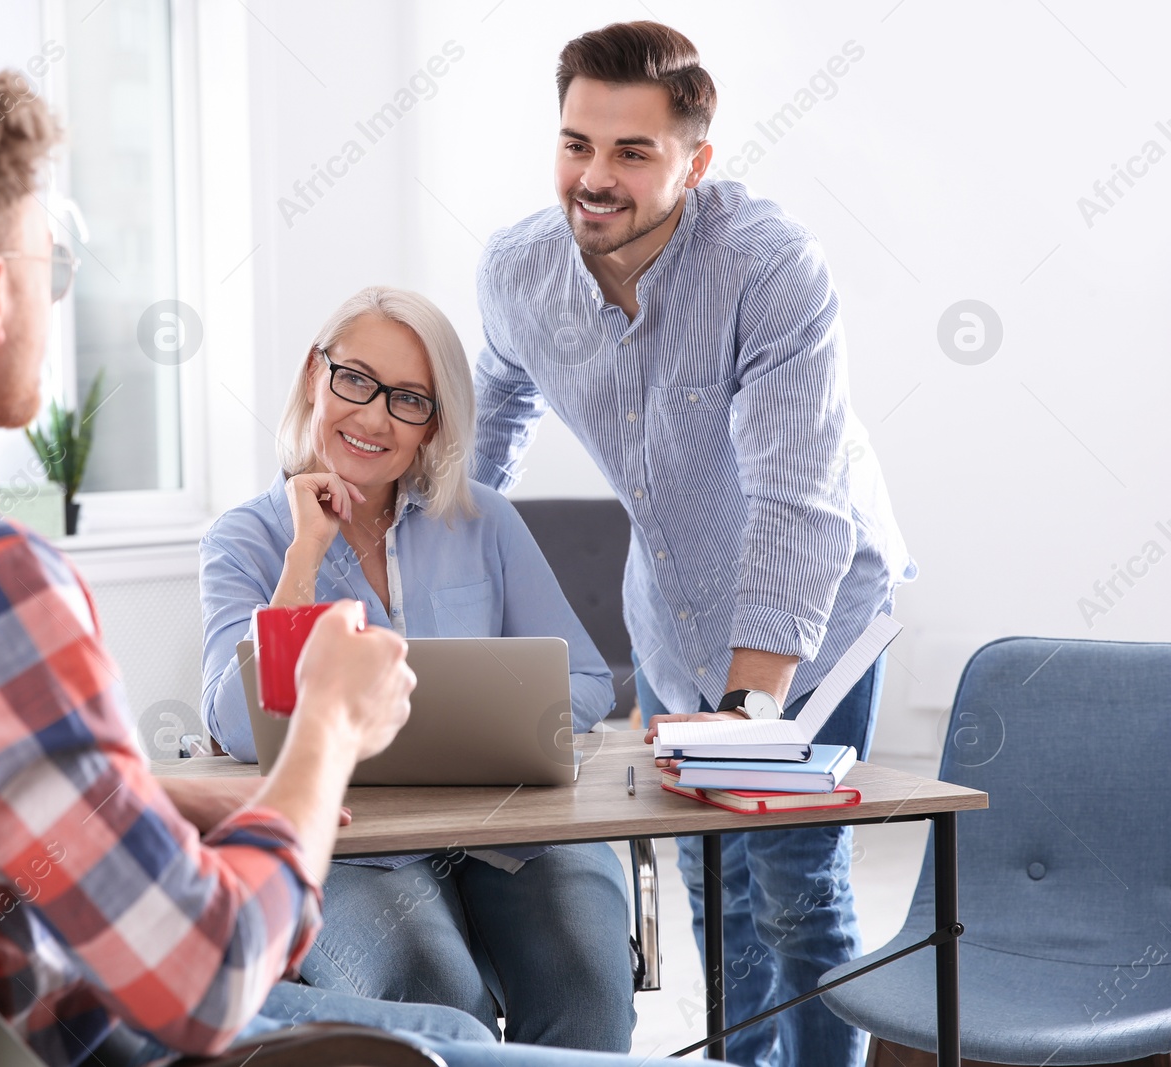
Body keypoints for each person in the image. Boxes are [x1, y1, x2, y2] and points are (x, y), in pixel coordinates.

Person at [0, 37, 715, 1067]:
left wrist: (134, 790)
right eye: (51, 263)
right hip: (70, 1026)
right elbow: (207, 975)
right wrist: (327, 727)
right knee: (437, 1038)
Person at [470, 20, 916, 1067]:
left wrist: (749, 715)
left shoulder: (767, 266)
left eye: (632, 151)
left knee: (795, 881)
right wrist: (415, 580)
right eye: (577, 143)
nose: (593, 176)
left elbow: (797, 497)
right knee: (714, 890)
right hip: (670, 614)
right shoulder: (517, 271)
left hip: (820, 608)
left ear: (694, 161)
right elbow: (487, 432)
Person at [199, 285, 637, 1052]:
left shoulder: (484, 519)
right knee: (440, 1011)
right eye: (355, 381)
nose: (372, 417)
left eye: (408, 399)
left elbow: (589, 680)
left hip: (509, 829)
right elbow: (239, 725)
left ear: (434, 424)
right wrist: (304, 555)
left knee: (587, 992)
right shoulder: (246, 539)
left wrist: (486, 719)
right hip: (354, 849)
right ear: (315, 376)